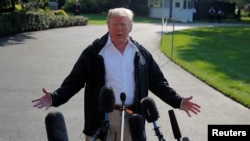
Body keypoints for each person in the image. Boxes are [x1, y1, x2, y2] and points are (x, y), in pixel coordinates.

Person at [32, 7, 201, 141]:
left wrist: (178, 101)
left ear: (131, 27)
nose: (119, 28)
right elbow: (74, 80)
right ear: (108, 25)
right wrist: (54, 97)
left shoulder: (141, 53)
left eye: (124, 24)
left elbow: (157, 82)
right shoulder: (94, 52)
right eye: (115, 24)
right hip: (101, 115)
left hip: (131, 115)